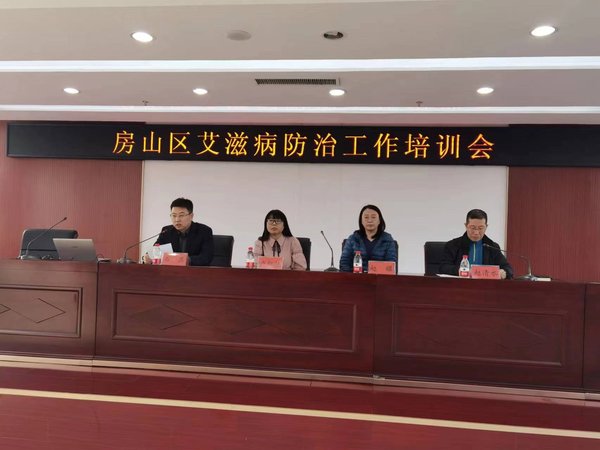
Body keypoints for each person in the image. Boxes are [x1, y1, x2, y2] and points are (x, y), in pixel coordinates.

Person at [439, 208, 513, 279]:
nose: (476, 232)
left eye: (480, 228)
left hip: (485, 286)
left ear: (486, 227)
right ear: (466, 226)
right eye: (473, 228)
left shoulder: (492, 246)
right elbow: (443, 267)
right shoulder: (453, 245)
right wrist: (463, 271)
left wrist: (503, 273)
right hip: (459, 285)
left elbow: (508, 269)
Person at [144, 197, 214, 266]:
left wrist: (187, 260)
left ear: (191, 216)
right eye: (174, 215)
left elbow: (206, 258)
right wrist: (147, 257)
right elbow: (155, 251)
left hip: (194, 271)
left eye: (181, 215)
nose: (177, 219)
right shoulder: (166, 231)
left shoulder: (204, 231)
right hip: (170, 272)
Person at [339, 204, 397, 273]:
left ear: (379, 221)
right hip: (355, 278)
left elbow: (390, 265)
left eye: (373, 217)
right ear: (361, 221)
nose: (369, 220)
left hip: (379, 278)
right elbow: (344, 263)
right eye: (366, 217)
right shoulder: (353, 239)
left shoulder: (387, 239)